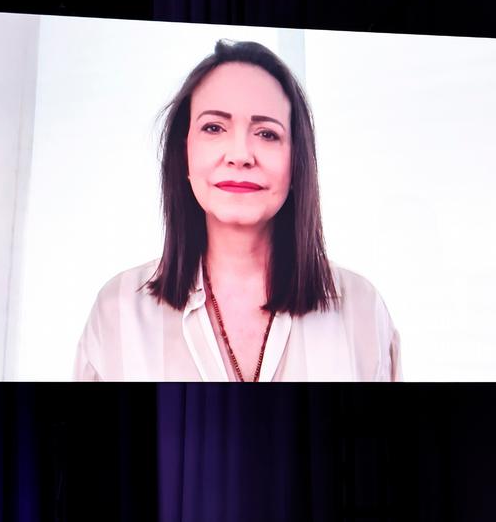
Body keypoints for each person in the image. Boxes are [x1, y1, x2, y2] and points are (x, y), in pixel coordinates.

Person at [74, 39, 400, 382]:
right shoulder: (118, 310)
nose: (240, 154)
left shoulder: (362, 310)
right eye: (214, 128)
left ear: (297, 163)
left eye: (267, 133)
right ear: (184, 154)